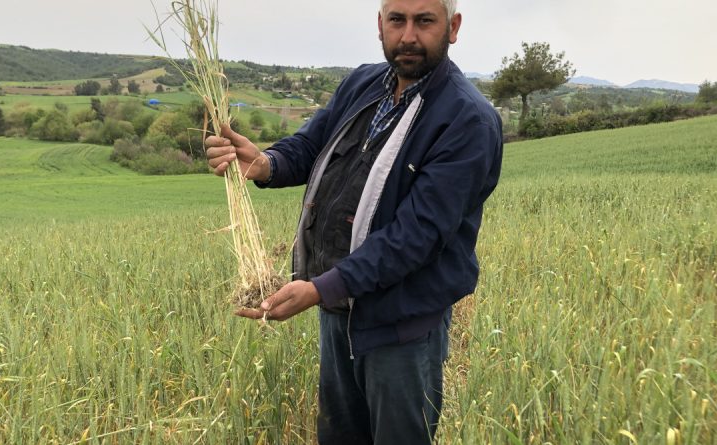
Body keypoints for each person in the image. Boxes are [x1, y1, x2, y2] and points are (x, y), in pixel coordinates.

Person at [206, 0, 502, 443]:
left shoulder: (467, 120)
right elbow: (311, 145)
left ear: (453, 27)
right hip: (338, 313)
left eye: (425, 21)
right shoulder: (363, 83)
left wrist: (319, 287)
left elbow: (415, 237)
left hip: (402, 327)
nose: (408, 36)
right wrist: (266, 163)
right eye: (396, 20)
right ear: (380, 24)